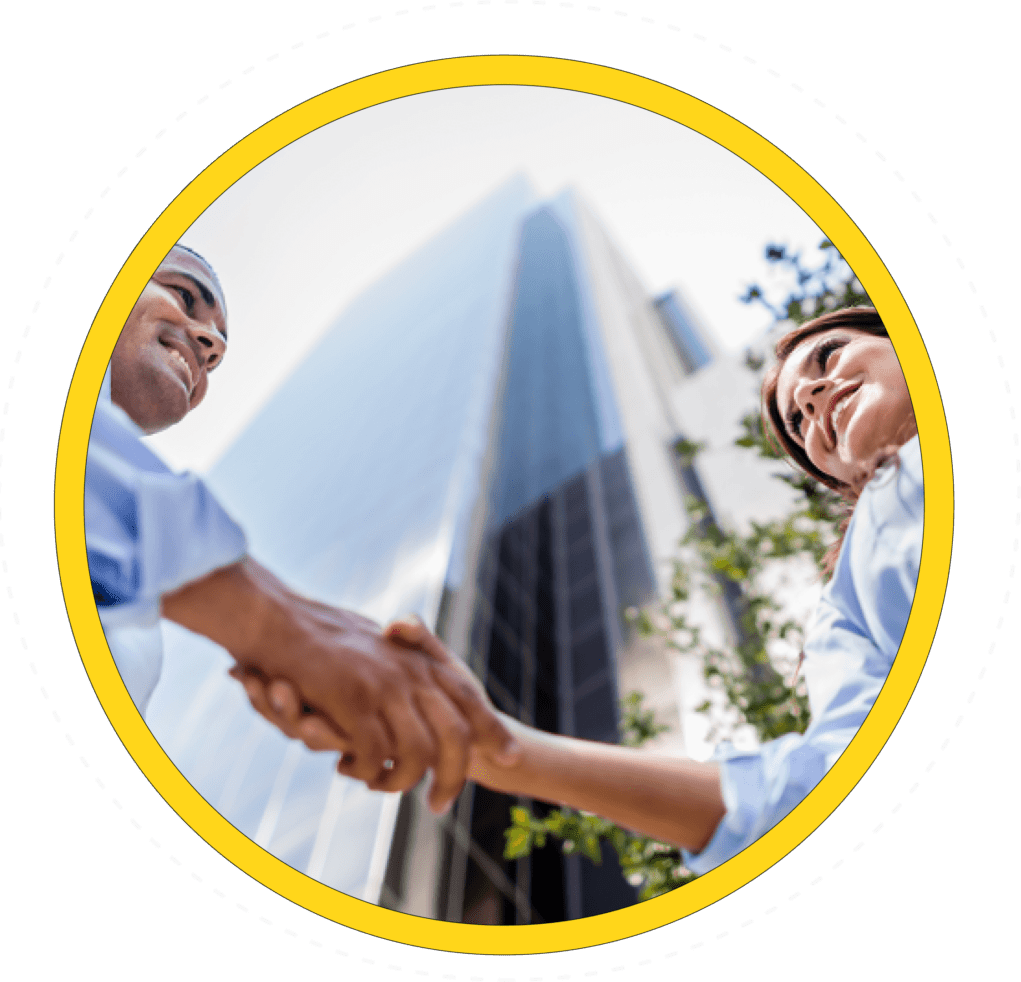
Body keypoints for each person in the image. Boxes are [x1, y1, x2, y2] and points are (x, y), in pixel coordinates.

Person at [244, 305, 923, 870]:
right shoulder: (852, 604)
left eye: (830, 355)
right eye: (800, 428)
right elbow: (825, 794)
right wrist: (507, 752)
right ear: (837, 477)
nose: (810, 397)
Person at [85, 244, 518, 815]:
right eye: (186, 297)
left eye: (216, 355)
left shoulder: (127, 612)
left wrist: (486, 744)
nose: (209, 344)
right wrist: (279, 626)